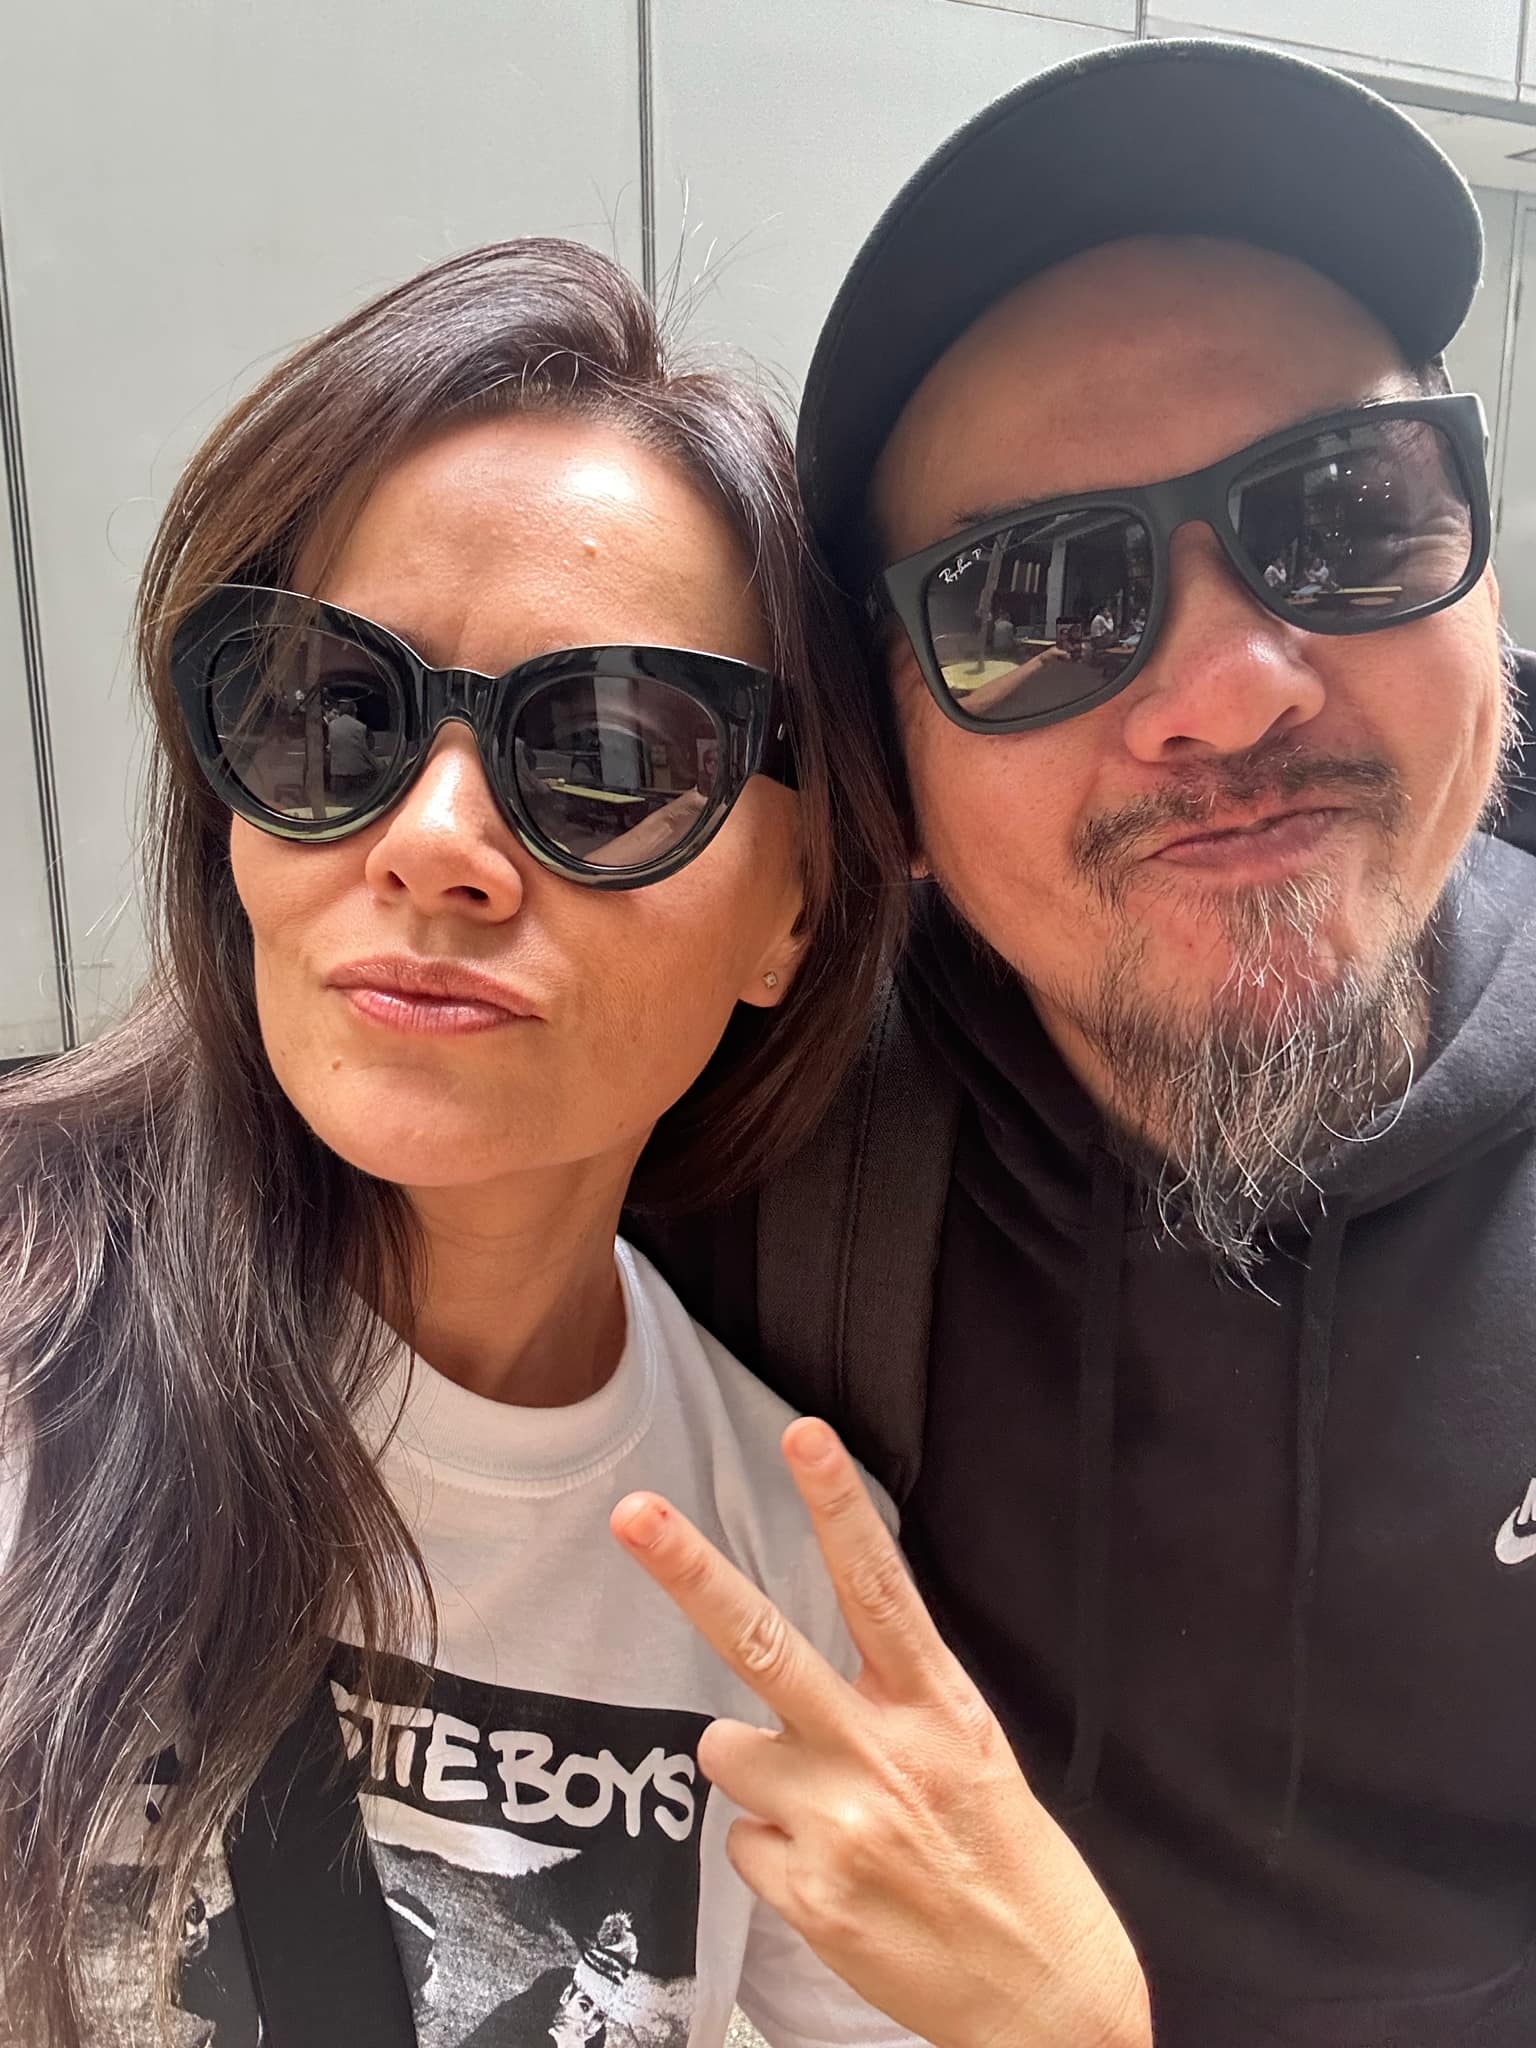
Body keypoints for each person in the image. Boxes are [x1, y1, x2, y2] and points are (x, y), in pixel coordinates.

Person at [0, 241, 1145, 2047]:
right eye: (332, 715)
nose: (432, 841)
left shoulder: (784, 1560)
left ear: (797, 905)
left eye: (607, 755)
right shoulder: (30, 1336)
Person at [629, 40, 1536, 2048]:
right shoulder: (746, 1144)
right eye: (1034, 600)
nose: (1229, 691)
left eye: (1344, 513)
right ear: (887, 772)